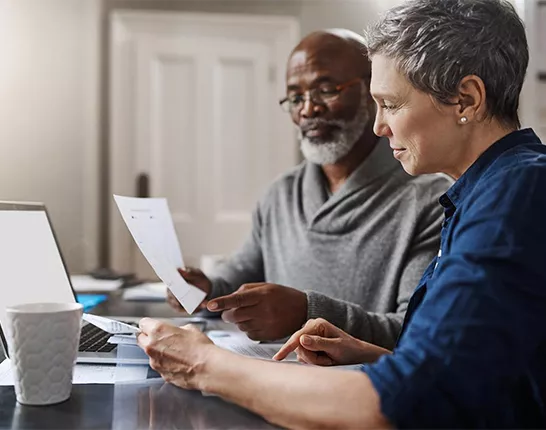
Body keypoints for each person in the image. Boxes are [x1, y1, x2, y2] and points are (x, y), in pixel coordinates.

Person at [137, 0, 546, 427]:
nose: (379, 126)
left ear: (466, 99)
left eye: (391, 104)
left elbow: (403, 402)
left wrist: (205, 365)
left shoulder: (515, 195)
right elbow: (468, 375)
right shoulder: (484, 193)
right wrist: (370, 354)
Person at [168, 29, 451, 347]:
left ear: (373, 90)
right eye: (295, 97)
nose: (307, 109)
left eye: (326, 90)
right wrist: (207, 291)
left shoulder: (431, 200)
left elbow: (417, 330)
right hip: (272, 380)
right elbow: (239, 274)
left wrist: (308, 312)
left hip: (362, 390)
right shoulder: (281, 195)